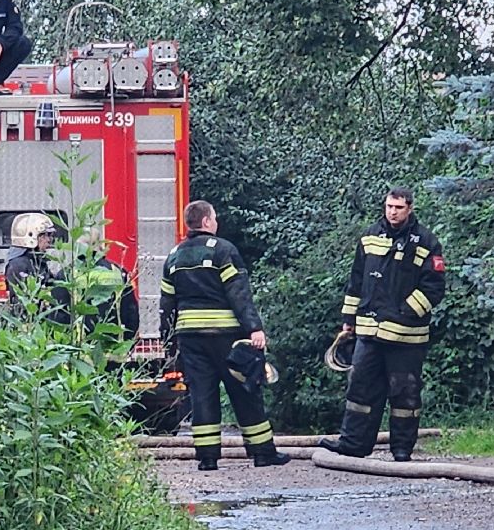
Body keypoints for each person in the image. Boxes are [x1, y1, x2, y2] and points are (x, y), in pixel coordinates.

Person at [160, 200, 289, 471]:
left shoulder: (174, 256)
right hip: (226, 336)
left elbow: (167, 305)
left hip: (190, 339)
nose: (216, 223)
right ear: (207, 222)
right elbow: (238, 292)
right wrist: (254, 328)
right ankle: (262, 453)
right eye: (214, 218)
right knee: (245, 389)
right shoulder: (223, 250)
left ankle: (207, 459)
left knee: (202, 395)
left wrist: (169, 344)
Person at [318, 187, 445, 461]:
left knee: (404, 394)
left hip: (405, 337)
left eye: (398, 207)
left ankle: (401, 450)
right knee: (360, 389)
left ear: (410, 208)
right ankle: (353, 444)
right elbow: (356, 282)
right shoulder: (370, 237)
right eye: (389, 206)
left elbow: (434, 288)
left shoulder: (426, 242)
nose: (392, 212)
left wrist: (403, 312)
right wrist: (348, 322)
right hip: (368, 332)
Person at [4, 212, 64, 319]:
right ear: (31, 236)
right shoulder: (18, 265)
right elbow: (21, 301)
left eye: (49, 235)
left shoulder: (38, 261)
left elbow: (51, 283)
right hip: (27, 322)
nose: (49, 240)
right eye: (45, 235)